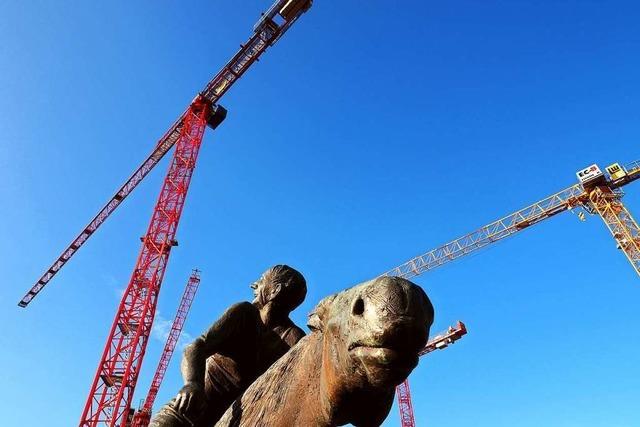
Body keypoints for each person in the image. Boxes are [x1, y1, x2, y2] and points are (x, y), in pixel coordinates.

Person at [150, 265, 307, 427]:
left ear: (275, 290)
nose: (254, 285)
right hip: (190, 410)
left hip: (238, 421)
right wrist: (192, 383)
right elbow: (196, 347)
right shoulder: (244, 313)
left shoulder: (294, 339)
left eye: (261, 281)